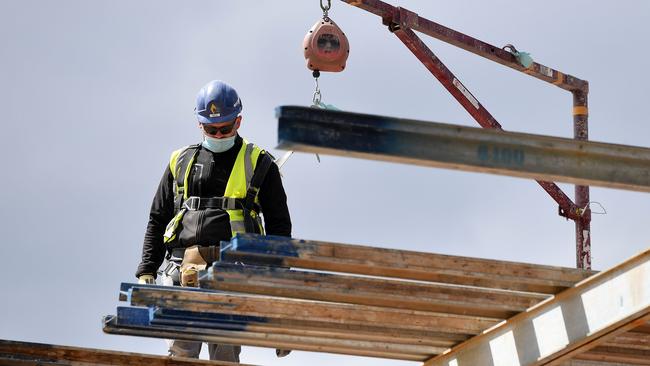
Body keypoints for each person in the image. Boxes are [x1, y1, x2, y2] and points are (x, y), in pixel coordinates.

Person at [135, 80, 292, 361]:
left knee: (225, 353)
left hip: (233, 269)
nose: (219, 135)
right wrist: (147, 266)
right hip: (183, 268)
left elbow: (279, 227)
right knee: (181, 351)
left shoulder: (259, 162)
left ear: (239, 121)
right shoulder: (180, 161)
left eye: (225, 128)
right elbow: (158, 217)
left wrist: (278, 286)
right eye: (211, 129)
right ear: (200, 125)